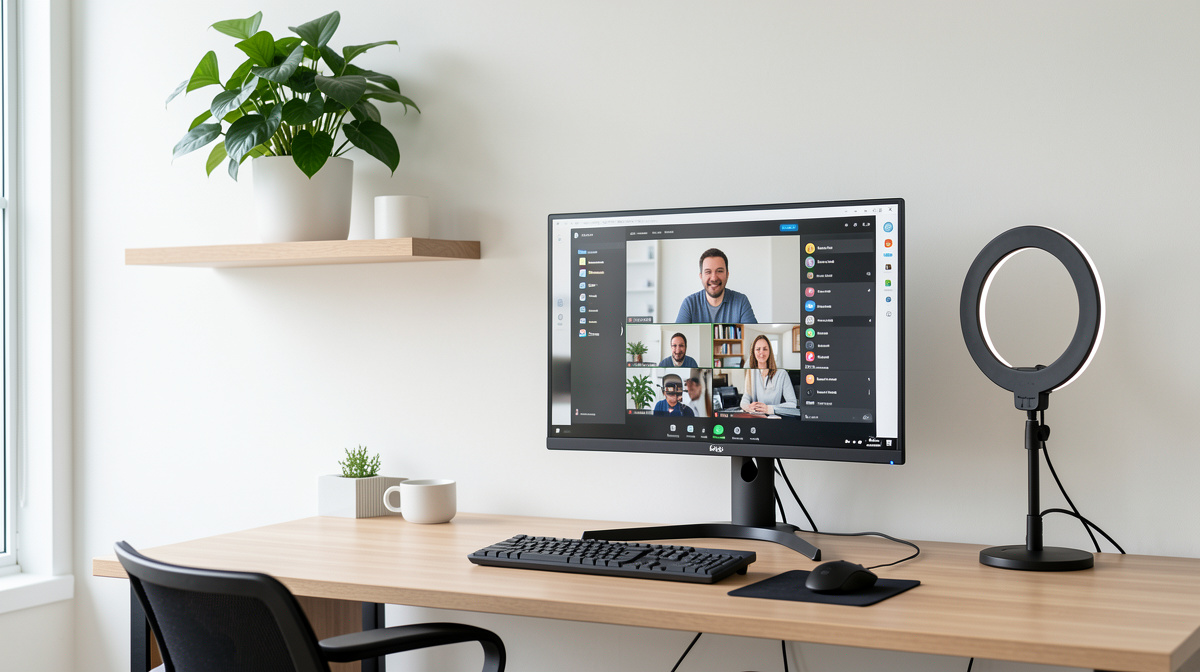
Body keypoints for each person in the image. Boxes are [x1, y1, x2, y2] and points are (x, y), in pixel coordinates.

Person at [675, 248, 757, 324]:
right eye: (708, 272)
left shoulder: (741, 301)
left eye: (719, 271)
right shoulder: (689, 304)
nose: (714, 278)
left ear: (727, 274)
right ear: (701, 276)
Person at [740, 335, 796, 414]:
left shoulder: (782, 373)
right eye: (758, 349)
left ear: (770, 351)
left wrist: (769, 409)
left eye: (765, 349)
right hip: (756, 417)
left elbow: (793, 404)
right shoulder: (751, 372)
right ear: (753, 352)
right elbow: (745, 398)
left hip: (774, 418)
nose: (761, 352)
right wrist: (748, 407)